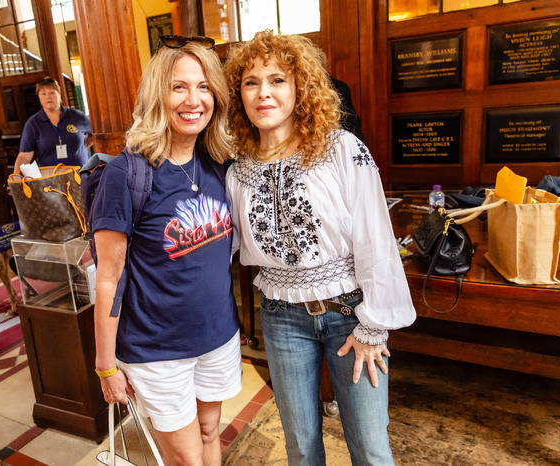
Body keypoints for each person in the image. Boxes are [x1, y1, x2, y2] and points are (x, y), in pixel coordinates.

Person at [224, 30, 416, 465]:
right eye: (251, 82)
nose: (263, 93)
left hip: (351, 317)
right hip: (281, 319)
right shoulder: (238, 173)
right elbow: (229, 247)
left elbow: (376, 240)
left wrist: (373, 326)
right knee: (301, 445)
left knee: (370, 447)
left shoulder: (342, 150)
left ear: (300, 88)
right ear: (239, 95)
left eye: (277, 80)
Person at [91, 35, 241, 466]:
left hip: (218, 334)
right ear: (158, 94)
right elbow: (108, 277)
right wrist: (106, 365)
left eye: (203, 87)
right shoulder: (127, 173)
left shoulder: (217, 161)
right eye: (179, 87)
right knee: (186, 460)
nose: (194, 99)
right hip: (157, 346)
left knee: (211, 432)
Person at [14, 77, 92, 172]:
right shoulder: (33, 124)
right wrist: (16, 179)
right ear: (39, 97)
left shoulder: (77, 116)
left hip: (81, 173)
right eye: (43, 94)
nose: (48, 97)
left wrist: (82, 147)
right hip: (50, 179)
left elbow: (95, 134)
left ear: (59, 95)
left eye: (52, 92)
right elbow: (24, 156)